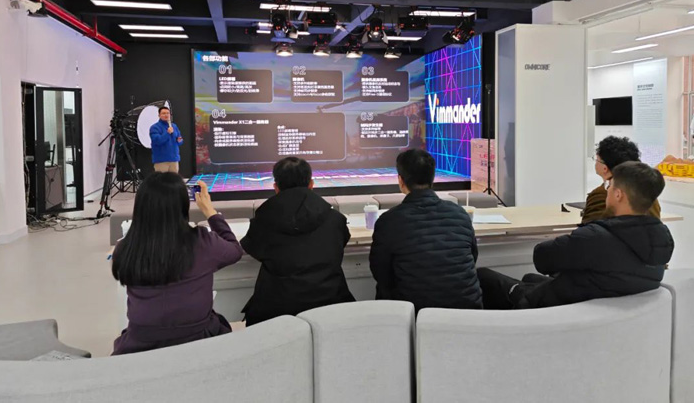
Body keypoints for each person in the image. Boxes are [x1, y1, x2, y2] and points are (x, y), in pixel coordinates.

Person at [478, 161, 674, 310]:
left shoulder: (594, 239)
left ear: (618, 195)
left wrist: (575, 240)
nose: (606, 191)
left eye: (610, 186)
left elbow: (542, 258)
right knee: (529, 277)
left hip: (555, 309)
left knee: (483, 276)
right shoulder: (661, 241)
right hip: (598, 310)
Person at [111, 173, 242, 355]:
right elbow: (234, 250)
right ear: (183, 205)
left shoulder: (126, 248)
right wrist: (210, 211)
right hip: (199, 339)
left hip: (139, 344)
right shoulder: (202, 242)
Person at [240, 157, 354, 326]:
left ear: (276, 187)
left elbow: (253, 248)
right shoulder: (335, 219)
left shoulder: (263, 220)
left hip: (276, 311)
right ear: (311, 184)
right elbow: (340, 243)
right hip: (331, 304)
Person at [369, 149, 482, 312]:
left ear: (401, 180)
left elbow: (381, 273)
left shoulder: (389, 221)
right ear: (432, 178)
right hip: (466, 312)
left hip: (415, 315)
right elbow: (472, 256)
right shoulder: (460, 213)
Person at [583, 136, 660, 223]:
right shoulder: (647, 192)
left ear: (605, 168)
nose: (595, 162)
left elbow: (591, 228)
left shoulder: (600, 194)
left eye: (597, 159)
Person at [150, 106, 183, 173]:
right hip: (161, 160)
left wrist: (180, 140)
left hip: (174, 159)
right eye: (164, 113)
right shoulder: (154, 127)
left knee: (174, 179)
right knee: (162, 179)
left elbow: (180, 139)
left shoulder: (174, 126)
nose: (166, 115)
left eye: (168, 113)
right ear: (159, 115)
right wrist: (167, 133)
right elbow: (157, 141)